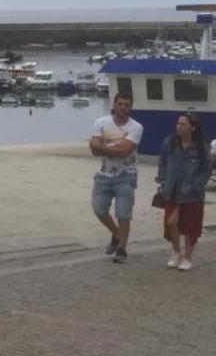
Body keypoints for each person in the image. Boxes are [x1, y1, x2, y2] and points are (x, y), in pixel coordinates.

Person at [89, 92, 143, 263]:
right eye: (120, 104)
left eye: (126, 104)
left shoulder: (136, 127)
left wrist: (104, 145)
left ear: (131, 106)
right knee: (99, 209)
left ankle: (121, 249)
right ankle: (117, 234)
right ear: (114, 104)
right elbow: (94, 151)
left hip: (126, 175)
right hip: (104, 173)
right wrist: (116, 147)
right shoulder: (101, 123)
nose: (123, 108)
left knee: (123, 214)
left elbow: (124, 153)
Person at [156, 112, 212, 271]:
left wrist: (197, 184)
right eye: (178, 123)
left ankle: (188, 256)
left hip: (192, 192)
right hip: (172, 190)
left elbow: (207, 169)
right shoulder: (170, 143)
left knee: (190, 226)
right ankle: (176, 252)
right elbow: (163, 162)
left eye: (183, 124)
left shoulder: (201, 147)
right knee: (171, 223)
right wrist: (163, 180)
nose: (178, 127)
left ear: (192, 128)